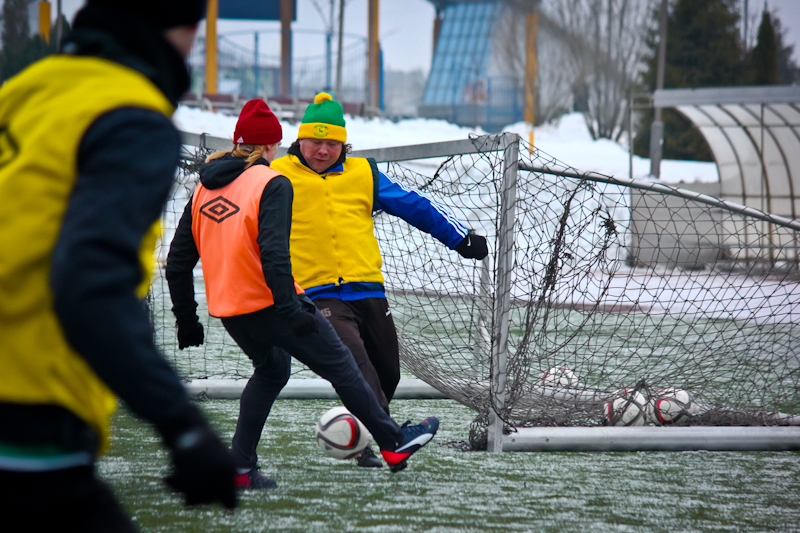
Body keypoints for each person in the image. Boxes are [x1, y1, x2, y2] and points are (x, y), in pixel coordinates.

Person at [0, 1, 239, 529]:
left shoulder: (23, 91)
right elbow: (89, 284)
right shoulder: (130, 116)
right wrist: (181, 424)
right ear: (182, 29)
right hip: (26, 407)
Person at [165, 98, 440, 487]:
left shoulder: (203, 189)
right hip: (274, 304)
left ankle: (240, 467)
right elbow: (275, 255)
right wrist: (292, 309)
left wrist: (187, 320)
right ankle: (394, 442)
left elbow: (177, 263)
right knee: (343, 367)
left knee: (271, 371)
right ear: (272, 145)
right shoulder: (271, 182)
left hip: (230, 311)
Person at [270, 93, 488, 467]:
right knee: (356, 365)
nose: (322, 150)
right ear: (300, 140)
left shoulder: (364, 173)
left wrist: (459, 238)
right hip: (318, 295)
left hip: (369, 289)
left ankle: (362, 443)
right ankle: (394, 442)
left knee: (388, 372)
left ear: (343, 145)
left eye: (332, 143)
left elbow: (414, 204)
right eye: (315, 142)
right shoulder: (277, 175)